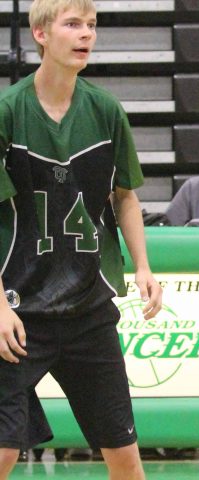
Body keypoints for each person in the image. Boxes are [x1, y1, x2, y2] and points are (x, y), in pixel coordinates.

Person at [0, 1, 163, 479]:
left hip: (88, 311)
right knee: (4, 452)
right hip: (19, 313)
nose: (86, 34)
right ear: (41, 34)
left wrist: (143, 266)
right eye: (73, 24)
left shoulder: (106, 110)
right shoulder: (9, 114)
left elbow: (125, 197)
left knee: (127, 462)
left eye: (92, 25)